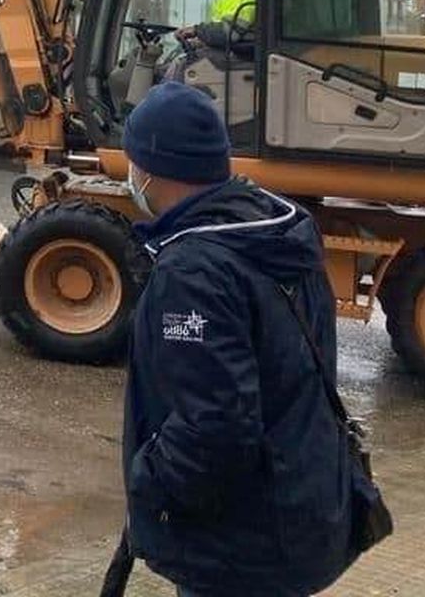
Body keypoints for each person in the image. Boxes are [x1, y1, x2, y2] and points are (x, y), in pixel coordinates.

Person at [120, 82, 352, 597]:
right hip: (296, 506)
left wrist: (149, 480)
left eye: (132, 162)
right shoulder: (279, 230)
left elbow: (216, 426)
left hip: (239, 543)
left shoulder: (195, 272)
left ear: (151, 168)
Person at [163, 0, 257, 82]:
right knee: (173, 60)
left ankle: (166, 94)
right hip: (232, 50)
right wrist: (202, 41)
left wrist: (197, 30)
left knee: (183, 64)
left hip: (240, 56)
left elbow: (230, 33)